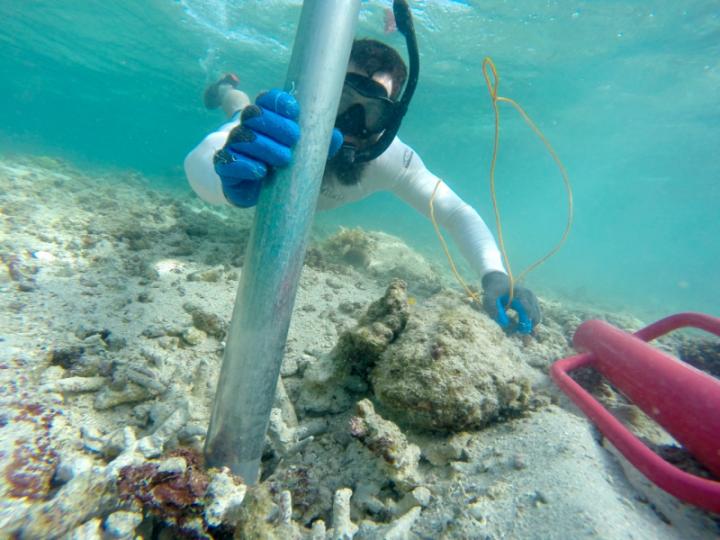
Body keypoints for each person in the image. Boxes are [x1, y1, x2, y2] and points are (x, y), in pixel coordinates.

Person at [184, 13, 541, 333]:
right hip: (258, 125)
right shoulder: (280, 129)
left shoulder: (391, 159)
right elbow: (200, 161)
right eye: (341, 99)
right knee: (239, 112)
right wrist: (226, 178)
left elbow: (454, 211)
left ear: (390, 120)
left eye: (371, 112)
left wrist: (495, 274)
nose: (352, 123)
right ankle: (227, 90)